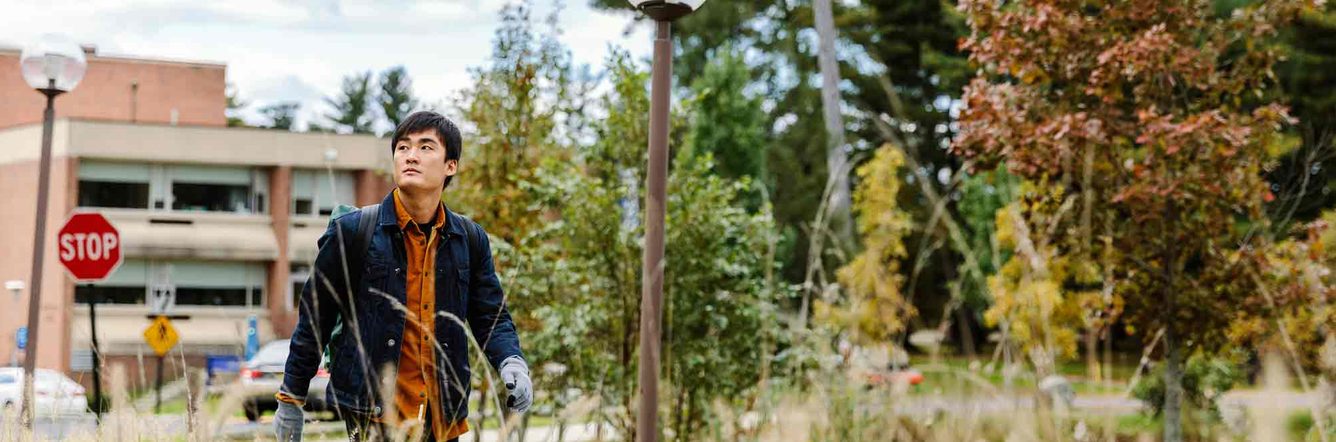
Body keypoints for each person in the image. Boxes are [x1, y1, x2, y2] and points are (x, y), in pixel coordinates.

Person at [274, 111, 532, 441]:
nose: (411, 155)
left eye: (426, 148)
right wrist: (291, 400)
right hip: (374, 417)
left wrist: (511, 360)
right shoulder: (354, 232)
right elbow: (315, 319)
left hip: (444, 418)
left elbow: (490, 316)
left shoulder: (470, 239)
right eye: (403, 148)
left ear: (450, 165)